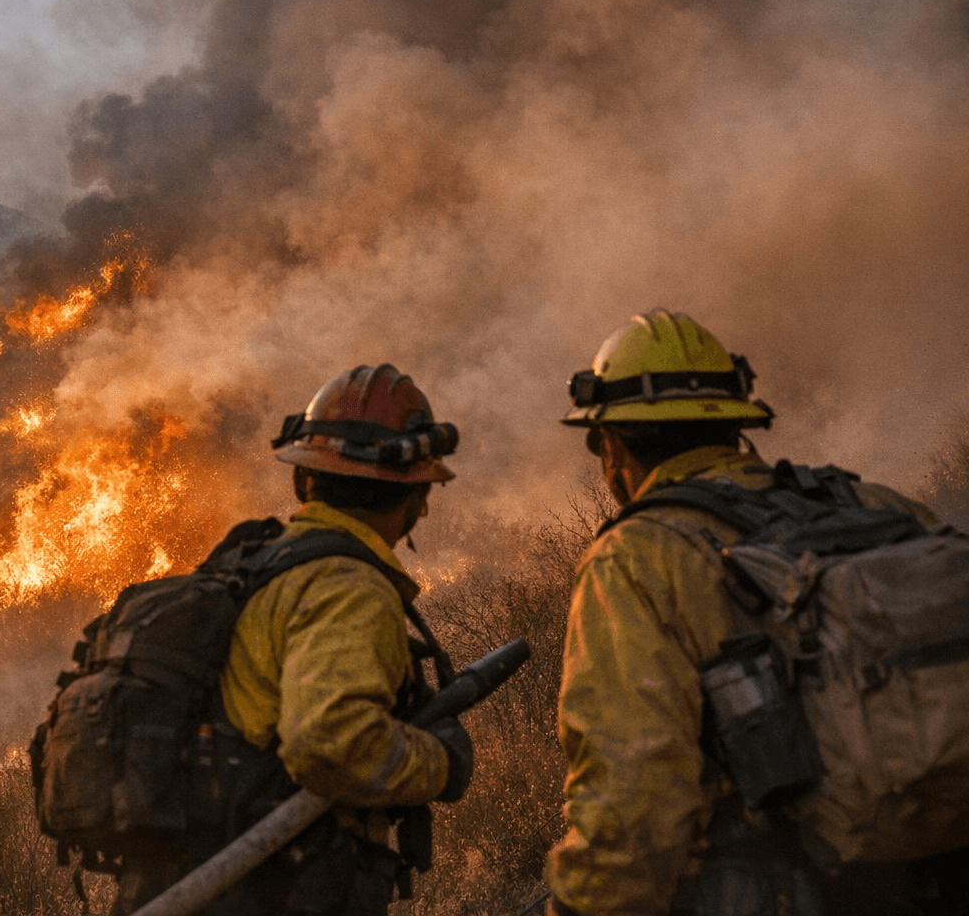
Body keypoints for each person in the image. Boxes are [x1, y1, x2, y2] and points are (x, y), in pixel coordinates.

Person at [545, 309, 961, 916]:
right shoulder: (878, 507)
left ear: (609, 445)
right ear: (737, 424)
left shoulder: (635, 560)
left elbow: (634, 800)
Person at [113, 363, 474, 916]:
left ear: (305, 480)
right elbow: (331, 744)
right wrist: (441, 762)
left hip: (197, 876)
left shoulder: (259, 565)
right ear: (415, 497)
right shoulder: (347, 586)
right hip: (272, 888)